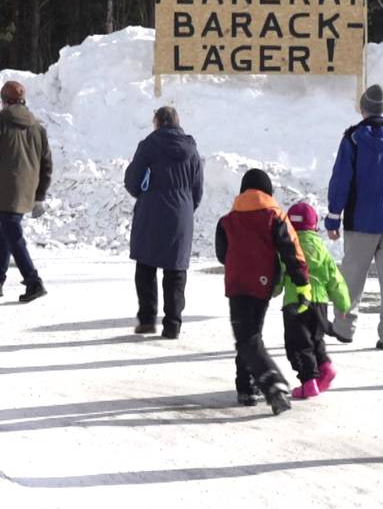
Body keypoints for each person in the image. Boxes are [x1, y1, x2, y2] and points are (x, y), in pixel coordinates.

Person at [325, 84, 383, 350]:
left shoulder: (353, 139)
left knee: (352, 278)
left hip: (361, 221)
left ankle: (344, 328)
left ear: (363, 108)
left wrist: (333, 217)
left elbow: (341, 181)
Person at [215, 169, 311, 415]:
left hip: (237, 284)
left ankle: (250, 385)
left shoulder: (227, 220)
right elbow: (291, 249)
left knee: (246, 336)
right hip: (262, 283)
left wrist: (239, 261)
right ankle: (269, 384)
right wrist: (302, 282)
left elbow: (221, 254)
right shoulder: (275, 216)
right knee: (251, 334)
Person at [124, 106, 203, 339]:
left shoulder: (148, 146)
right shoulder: (191, 150)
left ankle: (147, 320)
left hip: (151, 212)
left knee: (146, 266)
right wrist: (186, 207)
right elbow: (198, 188)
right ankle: (172, 324)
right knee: (176, 270)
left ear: (157, 122)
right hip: (181, 214)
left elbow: (132, 182)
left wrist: (145, 195)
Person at [276, 202, 351, 399]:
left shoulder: (287, 246)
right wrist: (343, 303)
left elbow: (279, 273)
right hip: (320, 302)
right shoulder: (321, 249)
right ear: (314, 225)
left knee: (299, 344)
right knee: (316, 339)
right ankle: (325, 367)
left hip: (296, 302)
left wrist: (272, 291)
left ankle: (309, 382)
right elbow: (335, 278)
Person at [0, 80, 52, 302]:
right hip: (26, 192)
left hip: (4, 190)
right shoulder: (37, 127)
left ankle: (33, 281)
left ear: (4, 101)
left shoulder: (2, 121)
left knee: (12, 235)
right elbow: (47, 164)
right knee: (5, 233)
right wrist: (39, 195)